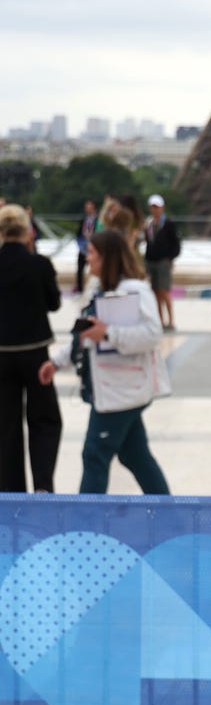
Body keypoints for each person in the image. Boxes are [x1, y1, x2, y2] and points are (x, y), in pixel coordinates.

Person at [39, 231, 170, 495]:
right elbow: (85, 335)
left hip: (121, 391)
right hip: (112, 390)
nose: (87, 258)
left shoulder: (134, 290)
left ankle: (87, 524)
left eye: (92, 253)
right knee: (136, 457)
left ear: (107, 257)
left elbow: (152, 334)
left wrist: (110, 333)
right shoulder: (100, 289)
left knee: (94, 456)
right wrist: (57, 361)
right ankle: (169, 514)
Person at [0, 204, 62, 492]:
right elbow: (54, 303)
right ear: (28, 231)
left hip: (2, 355)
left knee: (6, 426)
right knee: (44, 421)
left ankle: (11, 489)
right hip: (36, 353)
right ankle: (43, 486)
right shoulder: (39, 264)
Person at [143, 194, 181, 331]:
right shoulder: (149, 224)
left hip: (163, 262)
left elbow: (176, 244)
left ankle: (170, 321)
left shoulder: (168, 224)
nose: (155, 210)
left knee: (164, 291)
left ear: (162, 208)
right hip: (151, 261)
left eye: (157, 207)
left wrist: (170, 258)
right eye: (153, 207)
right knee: (156, 293)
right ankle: (160, 320)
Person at [75, 199, 97, 292]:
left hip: (94, 247)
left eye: (90, 207)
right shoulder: (83, 219)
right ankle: (80, 288)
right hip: (83, 247)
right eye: (86, 208)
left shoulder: (97, 220)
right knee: (80, 269)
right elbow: (78, 233)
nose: (88, 209)